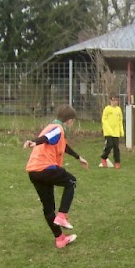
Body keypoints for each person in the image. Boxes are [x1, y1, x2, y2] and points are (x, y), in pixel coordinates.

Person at [23, 104, 89, 248]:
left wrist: (78, 157)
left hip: (33, 172)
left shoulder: (52, 126)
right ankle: (62, 216)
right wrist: (34, 142)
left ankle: (60, 239)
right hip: (46, 168)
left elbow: (63, 146)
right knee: (71, 181)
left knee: (48, 208)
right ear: (70, 120)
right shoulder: (58, 129)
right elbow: (47, 138)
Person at [99, 94, 124, 169]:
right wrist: (109, 129)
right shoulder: (107, 109)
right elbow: (104, 120)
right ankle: (104, 157)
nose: (115, 102)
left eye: (117, 100)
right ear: (110, 100)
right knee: (109, 145)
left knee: (116, 147)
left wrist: (121, 130)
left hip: (116, 132)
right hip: (108, 132)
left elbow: (120, 120)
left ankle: (117, 162)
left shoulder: (118, 109)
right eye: (114, 100)